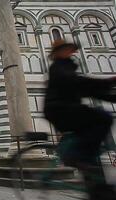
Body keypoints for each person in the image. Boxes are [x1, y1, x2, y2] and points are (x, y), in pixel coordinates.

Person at [44, 40, 116, 200]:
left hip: (67, 109)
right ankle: (79, 156)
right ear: (58, 52)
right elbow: (77, 83)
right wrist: (108, 82)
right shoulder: (58, 68)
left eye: (71, 50)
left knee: (97, 126)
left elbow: (86, 89)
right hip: (59, 110)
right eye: (67, 50)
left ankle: (96, 186)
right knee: (103, 118)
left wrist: (111, 96)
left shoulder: (69, 66)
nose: (71, 52)